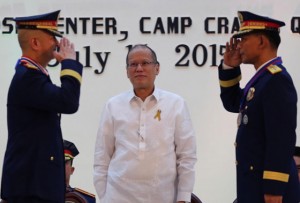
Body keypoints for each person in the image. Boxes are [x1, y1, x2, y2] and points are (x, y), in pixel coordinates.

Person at [93, 44, 197, 203]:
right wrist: (105, 196)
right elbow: (102, 157)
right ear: (127, 71)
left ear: (157, 68)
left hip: (164, 197)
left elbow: (187, 156)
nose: (139, 68)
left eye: (145, 63)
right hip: (118, 197)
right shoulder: (113, 105)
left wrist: (183, 197)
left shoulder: (176, 104)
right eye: (133, 64)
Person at [0, 10, 83, 203]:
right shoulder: (28, 78)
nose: (57, 43)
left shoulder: (32, 76)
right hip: (30, 188)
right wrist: (70, 64)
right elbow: (68, 102)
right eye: (52, 37)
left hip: (34, 185)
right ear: (35, 43)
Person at [218, 11, 300, 203]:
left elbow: (280, 141)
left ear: (262, 41)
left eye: (243, 39)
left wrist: (274, 191)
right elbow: (232, 103)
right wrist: (229, 67)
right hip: (254, 188)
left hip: (270, 194)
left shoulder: (276, 80)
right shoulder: (262, 80)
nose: (238, 45)